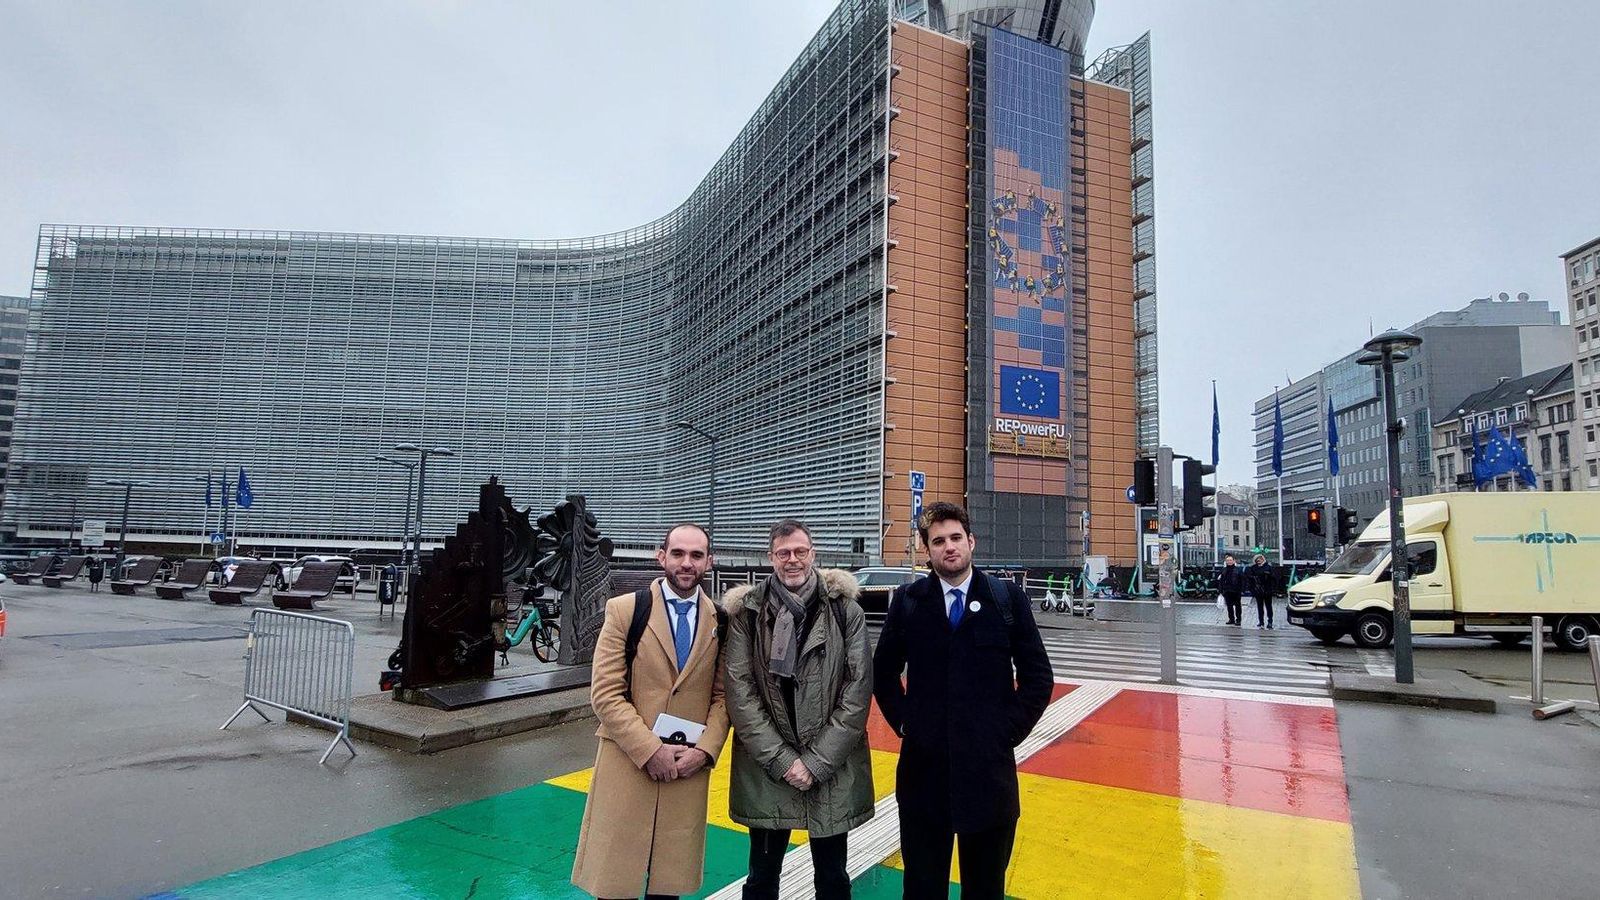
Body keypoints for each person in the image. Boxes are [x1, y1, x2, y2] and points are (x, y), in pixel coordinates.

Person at [872, 501, 1054, 899]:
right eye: (938, 541)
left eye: (956, 537)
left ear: (971, 541)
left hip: (988, 778)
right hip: (923, 778)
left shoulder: (1006, 600)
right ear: (927, 549)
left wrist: (1007, 731)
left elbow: (1038, 676)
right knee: (922, 889)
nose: (949, 547)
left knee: (985, 889)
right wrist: (904, 722)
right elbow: (882, 673)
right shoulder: (908, 601)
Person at [570, 523, 730, 900]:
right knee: (616, 886)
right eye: (678, 553)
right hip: (628, 762)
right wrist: (649, 750)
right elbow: (606, 694)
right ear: (662, 557)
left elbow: (723, 697)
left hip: (685, 768)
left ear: (709, 561)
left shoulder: (721, 621)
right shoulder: (627, 610)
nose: (686, 563)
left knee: (667, 886)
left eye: (696, 555)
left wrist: (705, 751)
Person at [721, 519, 874, 900]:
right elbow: (740, 691)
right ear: (771, 557)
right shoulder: (748, 613)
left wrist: (817, 762)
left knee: (833, 877)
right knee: (761, 877)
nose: (793, 560)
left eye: (800, 551)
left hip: (830, 766)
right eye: (783, 552)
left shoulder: (844, 610)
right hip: (769, 766)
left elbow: (857, 690)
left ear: (813, 554)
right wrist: (783, 761)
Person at [1247, 553, 1275, 629]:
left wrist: (1272, 588)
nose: (1259, 561)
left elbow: (1273, 578)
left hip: (1267, 590)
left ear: (1263, 559)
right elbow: (1250, 579)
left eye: (1260, 559)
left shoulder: (1268, 567)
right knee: (1260, 607)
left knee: (1268, 606)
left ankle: (1270, 622)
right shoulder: (1253, 568)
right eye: (1257, 560)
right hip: (1258, 590)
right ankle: (1261, 622)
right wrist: (1253, 588)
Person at [1216, 554, 1245, 626]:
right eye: (1227, 560)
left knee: (1238, 606)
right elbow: (1221, 581)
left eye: (1230, 560)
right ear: (1226, 561)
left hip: (1236, 590)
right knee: (1229, 606)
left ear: (1234, 561)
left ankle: (1238, 620)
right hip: (1227, 590)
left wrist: (1242, 589)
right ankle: (1231, 619)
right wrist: (1220, 589)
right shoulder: (1223, 570)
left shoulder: (1238, 570)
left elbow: (1243, 580)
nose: (1229, 562)